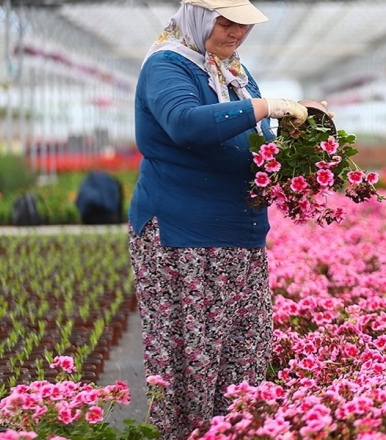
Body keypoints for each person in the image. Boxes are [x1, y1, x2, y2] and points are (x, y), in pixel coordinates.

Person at [127, 0, 321, 437]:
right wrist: (267, 105)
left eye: (243, 26)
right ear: (198, 18)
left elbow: (253, 137)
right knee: (194, 353)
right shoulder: (168, 65)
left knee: (245, 348)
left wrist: (295, 138)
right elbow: (185, 123)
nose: (235, 34)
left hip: (239, 235)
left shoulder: (231, 70)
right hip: (184, 236)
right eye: (226, 23)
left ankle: (234, 430)